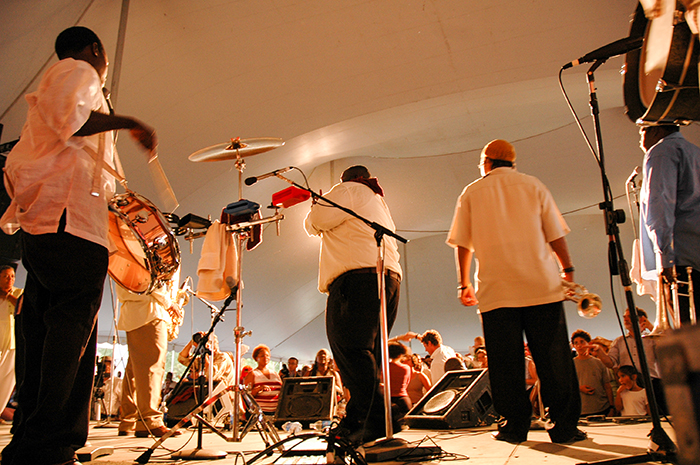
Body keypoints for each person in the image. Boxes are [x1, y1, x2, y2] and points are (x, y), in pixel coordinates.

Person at [0, 26, 157, 465]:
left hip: (48, 222)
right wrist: (130, 121)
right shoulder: (78, 71)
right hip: (69, 222)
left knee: (45, 332)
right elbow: (74, 119)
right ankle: (48, 443)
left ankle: (35, 439)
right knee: (70, 335)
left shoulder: (63, 78)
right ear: (95, 50)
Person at [447, 139, 584, 444]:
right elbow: (554, 233)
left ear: (486, 163)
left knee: (505, 364)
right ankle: (564, 428)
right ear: (512, 161)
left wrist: (464, 283)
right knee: (555, 360)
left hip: (497, 291)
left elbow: (462, 243)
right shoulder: (533, 185)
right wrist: (568, 269)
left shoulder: (471, 191)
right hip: (542, 287)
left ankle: (513, 428)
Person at [304, 164, 402, 445]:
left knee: (349, 346)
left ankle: (380, 418)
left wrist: (316, 206)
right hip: (388, 277)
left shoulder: (347, 190)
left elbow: (315, 223)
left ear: (346, 179)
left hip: (357, 278)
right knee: (370, 351)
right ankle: (360, 419)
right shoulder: (378, 201)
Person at [638, 124, 700, 324]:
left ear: (655, 130)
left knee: (691, 337)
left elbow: (660, 205)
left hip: (680, 258)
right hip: (695, 254)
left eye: (642, 131)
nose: (640, 139)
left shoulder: (661, 152)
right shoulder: (694, 151)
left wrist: (663, 258)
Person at [115, 276, 182, 437]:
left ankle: (128, 419)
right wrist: (169, 303)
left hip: (135, 310)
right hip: (149, 311)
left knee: (134, 369)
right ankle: (149, 420)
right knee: (153, 365)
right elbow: (150, 279)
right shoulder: (146, 251)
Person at [588, 307, 666, 414]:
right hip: (630, 387)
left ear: (642, 319)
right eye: (624, 317)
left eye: (629, 316)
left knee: (659, 416)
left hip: (652, 384)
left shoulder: (652, 339)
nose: (625, 319)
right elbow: (611, 363)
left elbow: (666, 353)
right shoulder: (619, 341)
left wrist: (652, 328)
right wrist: (600, 353)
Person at [571, 330, 614, 417]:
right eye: (576, 343)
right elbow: (567, 385)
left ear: (589, 343)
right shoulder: (570, 364)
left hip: (601, 407)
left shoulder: (599, 362)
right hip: (581, 409)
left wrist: (612, 407)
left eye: (582, 342)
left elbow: (607, 386)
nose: (579, 345)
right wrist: (580, 388)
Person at [0, 265, 22, 421]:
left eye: (12, 276)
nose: (10, 279)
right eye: (6, 276)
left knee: (6, 381)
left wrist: (8, 296)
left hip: (11, 343)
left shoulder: (18, 293)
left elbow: (23, 308)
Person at [244, 344, 282, 415]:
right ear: (256, 358)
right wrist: (259, 389)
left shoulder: (275, 374)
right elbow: (246, 395)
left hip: (275, 412)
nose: (265, 357)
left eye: (267, 355)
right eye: (262, 356)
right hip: (260, 413)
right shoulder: (252, 374)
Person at [387, 342, 412, 420]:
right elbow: (407, 383)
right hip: (403, 400)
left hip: (388, 399)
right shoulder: (406, 368)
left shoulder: (384, 367)